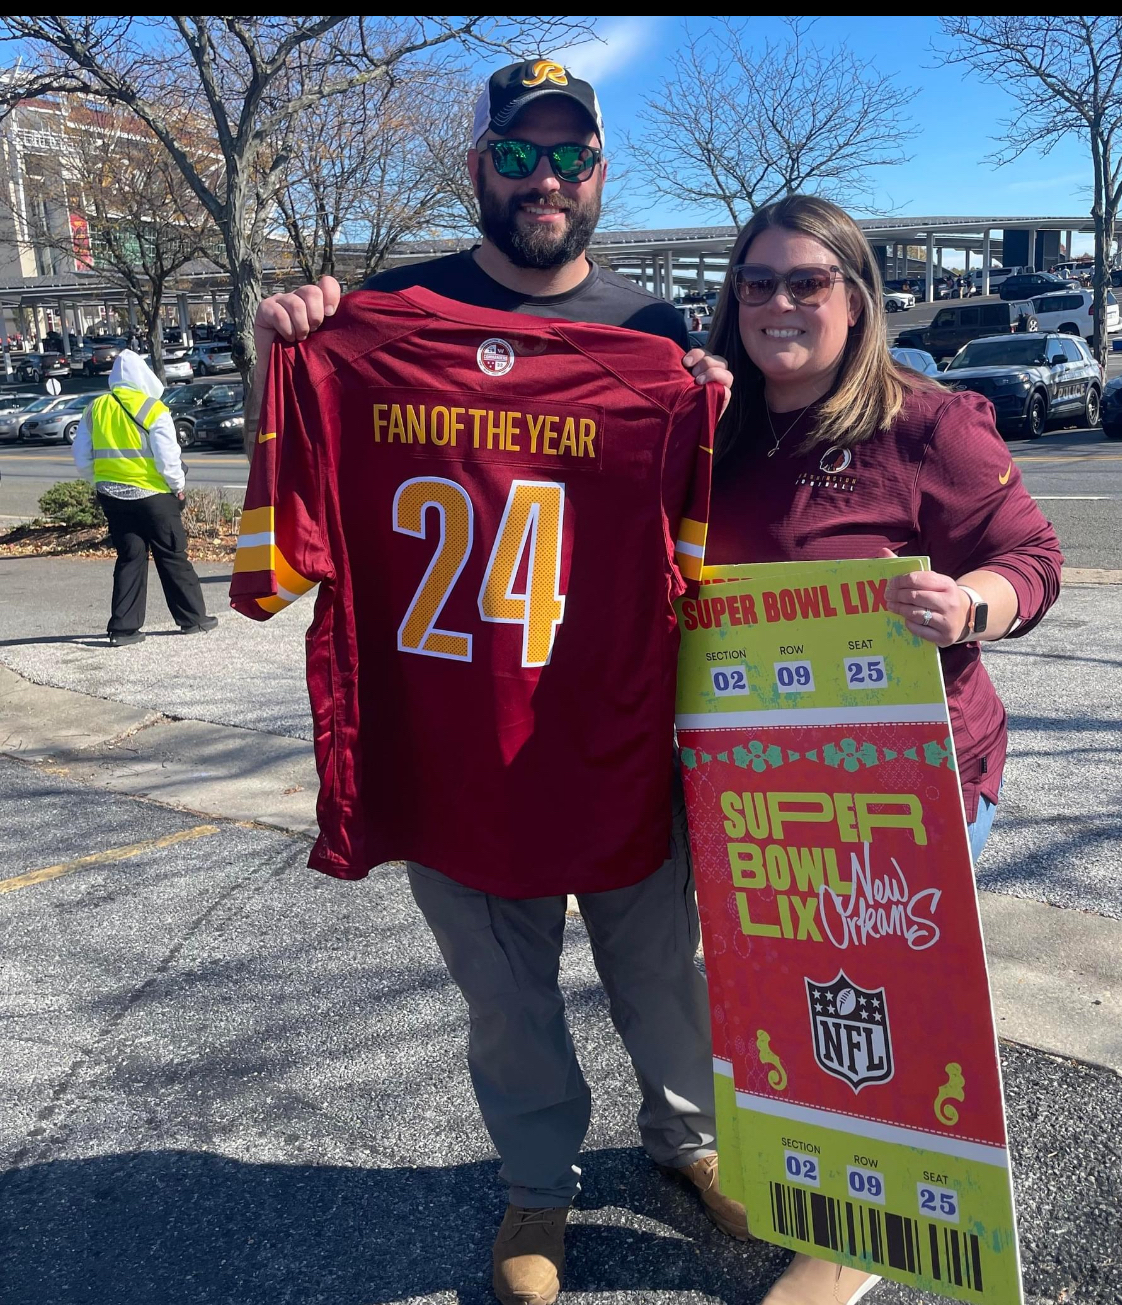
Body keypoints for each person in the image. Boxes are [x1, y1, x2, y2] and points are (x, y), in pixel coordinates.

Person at [245, 59, 775, 1305]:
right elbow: (289, 541)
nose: (546, 179)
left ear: (599, 174)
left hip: (617, 727)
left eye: (569, 158)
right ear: (478, 165)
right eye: (520, 156)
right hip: (455, 738)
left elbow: (717, 536)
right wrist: (280, 347)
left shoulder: (656, 339)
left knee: (662, 971)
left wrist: (710, 407)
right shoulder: (376, 321)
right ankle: (538, 1187)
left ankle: (688, 1139)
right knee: (505, 997)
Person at [699, 193, 1061, 1302]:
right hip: (753, 784)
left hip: (913, 777)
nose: (778, 302)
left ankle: (863, 1233)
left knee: (872, 995)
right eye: (756, 282)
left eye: (807, 280)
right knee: (770, 990)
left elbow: (1031, 556)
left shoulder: (928, 424)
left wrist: (970, 606)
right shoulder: (708, 425)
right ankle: (799, 1168)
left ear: (857, 297)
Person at [71, 350, 217, 645]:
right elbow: (167, 456)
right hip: (154, 496)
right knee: (173, 555)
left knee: (129, 557)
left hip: (112, 496)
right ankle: (193, 619)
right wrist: (177, 485)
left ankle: (123, 630)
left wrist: (100, 481)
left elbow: (81, 456)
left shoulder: (95, 408)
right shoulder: (154, 408)